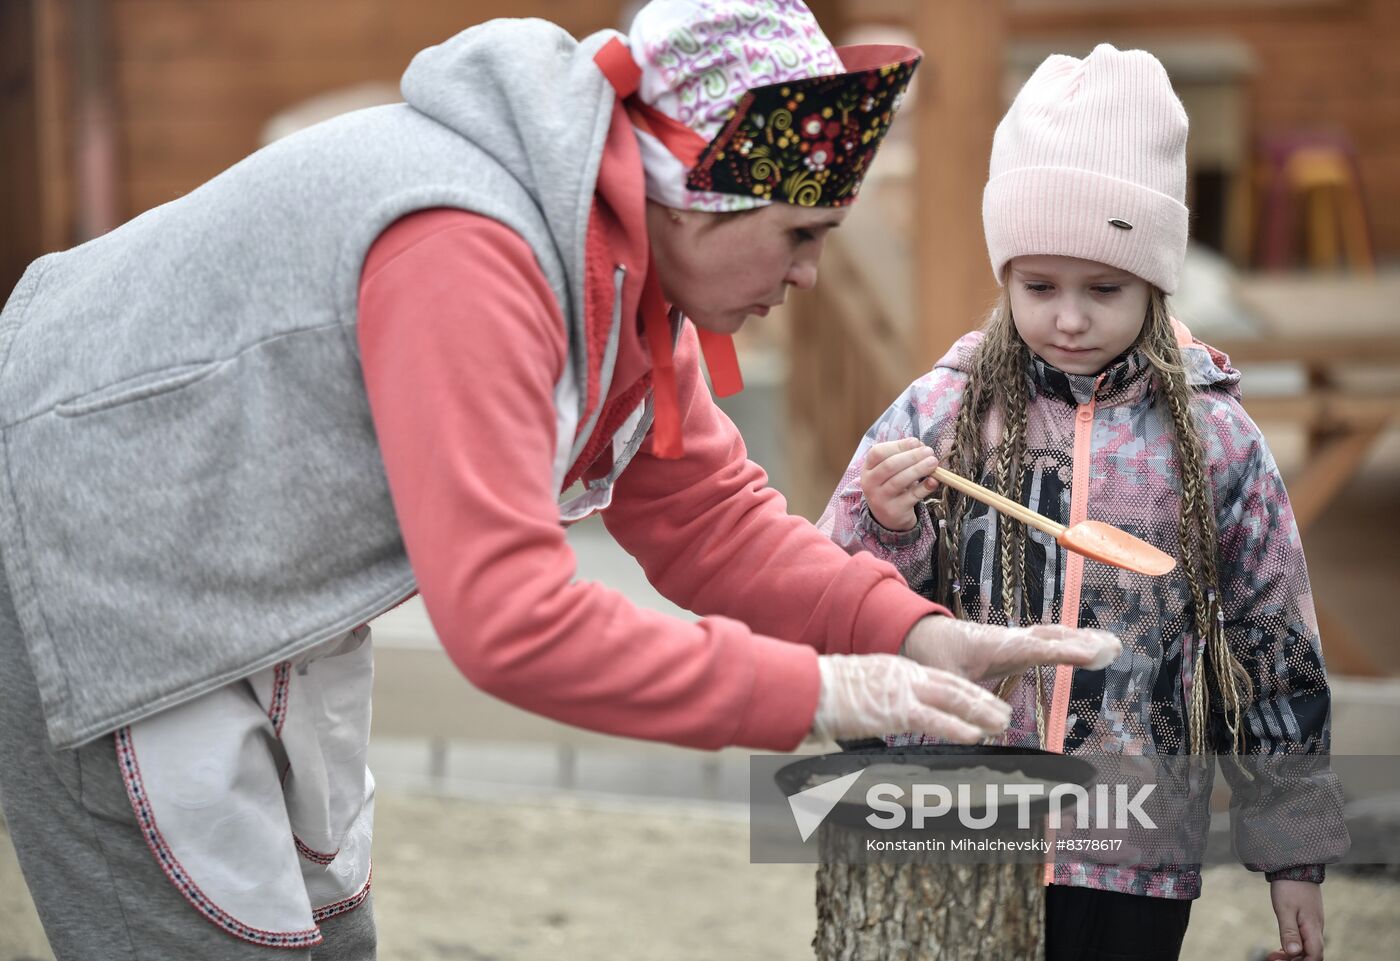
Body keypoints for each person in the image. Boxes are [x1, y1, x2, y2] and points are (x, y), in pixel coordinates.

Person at [0, 2, 1121, 957]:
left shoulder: (622, 272)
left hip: (254, 569)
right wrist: (816, 691)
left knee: (326, 924)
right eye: (797, 232)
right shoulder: (471, 248)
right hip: (100, 554)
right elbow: (510, 621)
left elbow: (706, 521)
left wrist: (909, 633)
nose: (811, 274)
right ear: (693, 195)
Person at [819, 44, 1341, 961]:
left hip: (1133, 847)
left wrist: (1292, 852)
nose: (1068, 317)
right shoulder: (944, 413)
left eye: (1105, 289)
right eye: (1038, 286)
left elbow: (1272, 644)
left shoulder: (1217, 442)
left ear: (1155, 280)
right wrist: (887, 524)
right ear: (1004, 274)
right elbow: (839, 593)